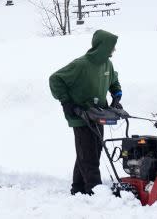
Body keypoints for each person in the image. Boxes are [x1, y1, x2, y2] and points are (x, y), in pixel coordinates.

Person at [49, 30, 123, 196]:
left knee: (90, 152)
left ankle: (78, 188)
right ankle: (94, 191)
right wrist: (66, 102)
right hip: (81, 116)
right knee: (88, 154)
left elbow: (114, 80)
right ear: (103, 47)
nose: (114, 50)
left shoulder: (107, 64)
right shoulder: (81, 64)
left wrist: (116, 95)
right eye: (112, 47)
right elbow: (55, 79)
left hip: (99, 115)